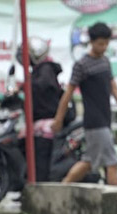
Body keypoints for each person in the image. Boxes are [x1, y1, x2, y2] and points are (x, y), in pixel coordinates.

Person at [51, 22, 117, 186]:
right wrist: (58, 119)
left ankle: (62, 188)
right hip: (94, 121)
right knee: (111, 162)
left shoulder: (105, 62)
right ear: (91, 42)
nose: (104, 47)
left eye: (106, 43)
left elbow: (114, 89)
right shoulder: (82, 65)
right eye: (100, 43)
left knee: (89, 162)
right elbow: (68, 93)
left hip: (105, 119)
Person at [27, 37, 72, 182]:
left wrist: (26, 86)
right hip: (40, 121)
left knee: (41, 159)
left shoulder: (45, 69)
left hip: (47, 122)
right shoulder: (39, 70)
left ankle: (40, 187)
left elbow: (43, 86)